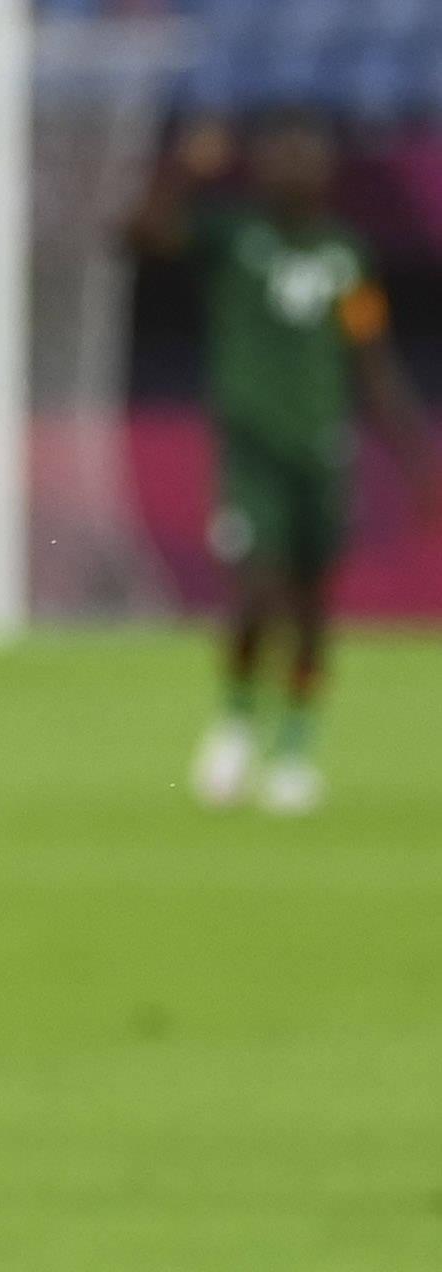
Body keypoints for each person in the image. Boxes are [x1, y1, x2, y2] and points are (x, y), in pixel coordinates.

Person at [132, 111, 436, 817]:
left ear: (325, 174)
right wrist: (180, 170)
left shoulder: (345, 255)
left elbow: (373, 359)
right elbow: (141, 236)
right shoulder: (234, 237)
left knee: (312, 608)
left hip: (322, 454)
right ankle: (237, 722)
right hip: (253, 454)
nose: (292, 166)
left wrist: (418, 460)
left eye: (305, 155)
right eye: (279, 155)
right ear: (261, 171)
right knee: (257, 593)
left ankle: (296, 748)